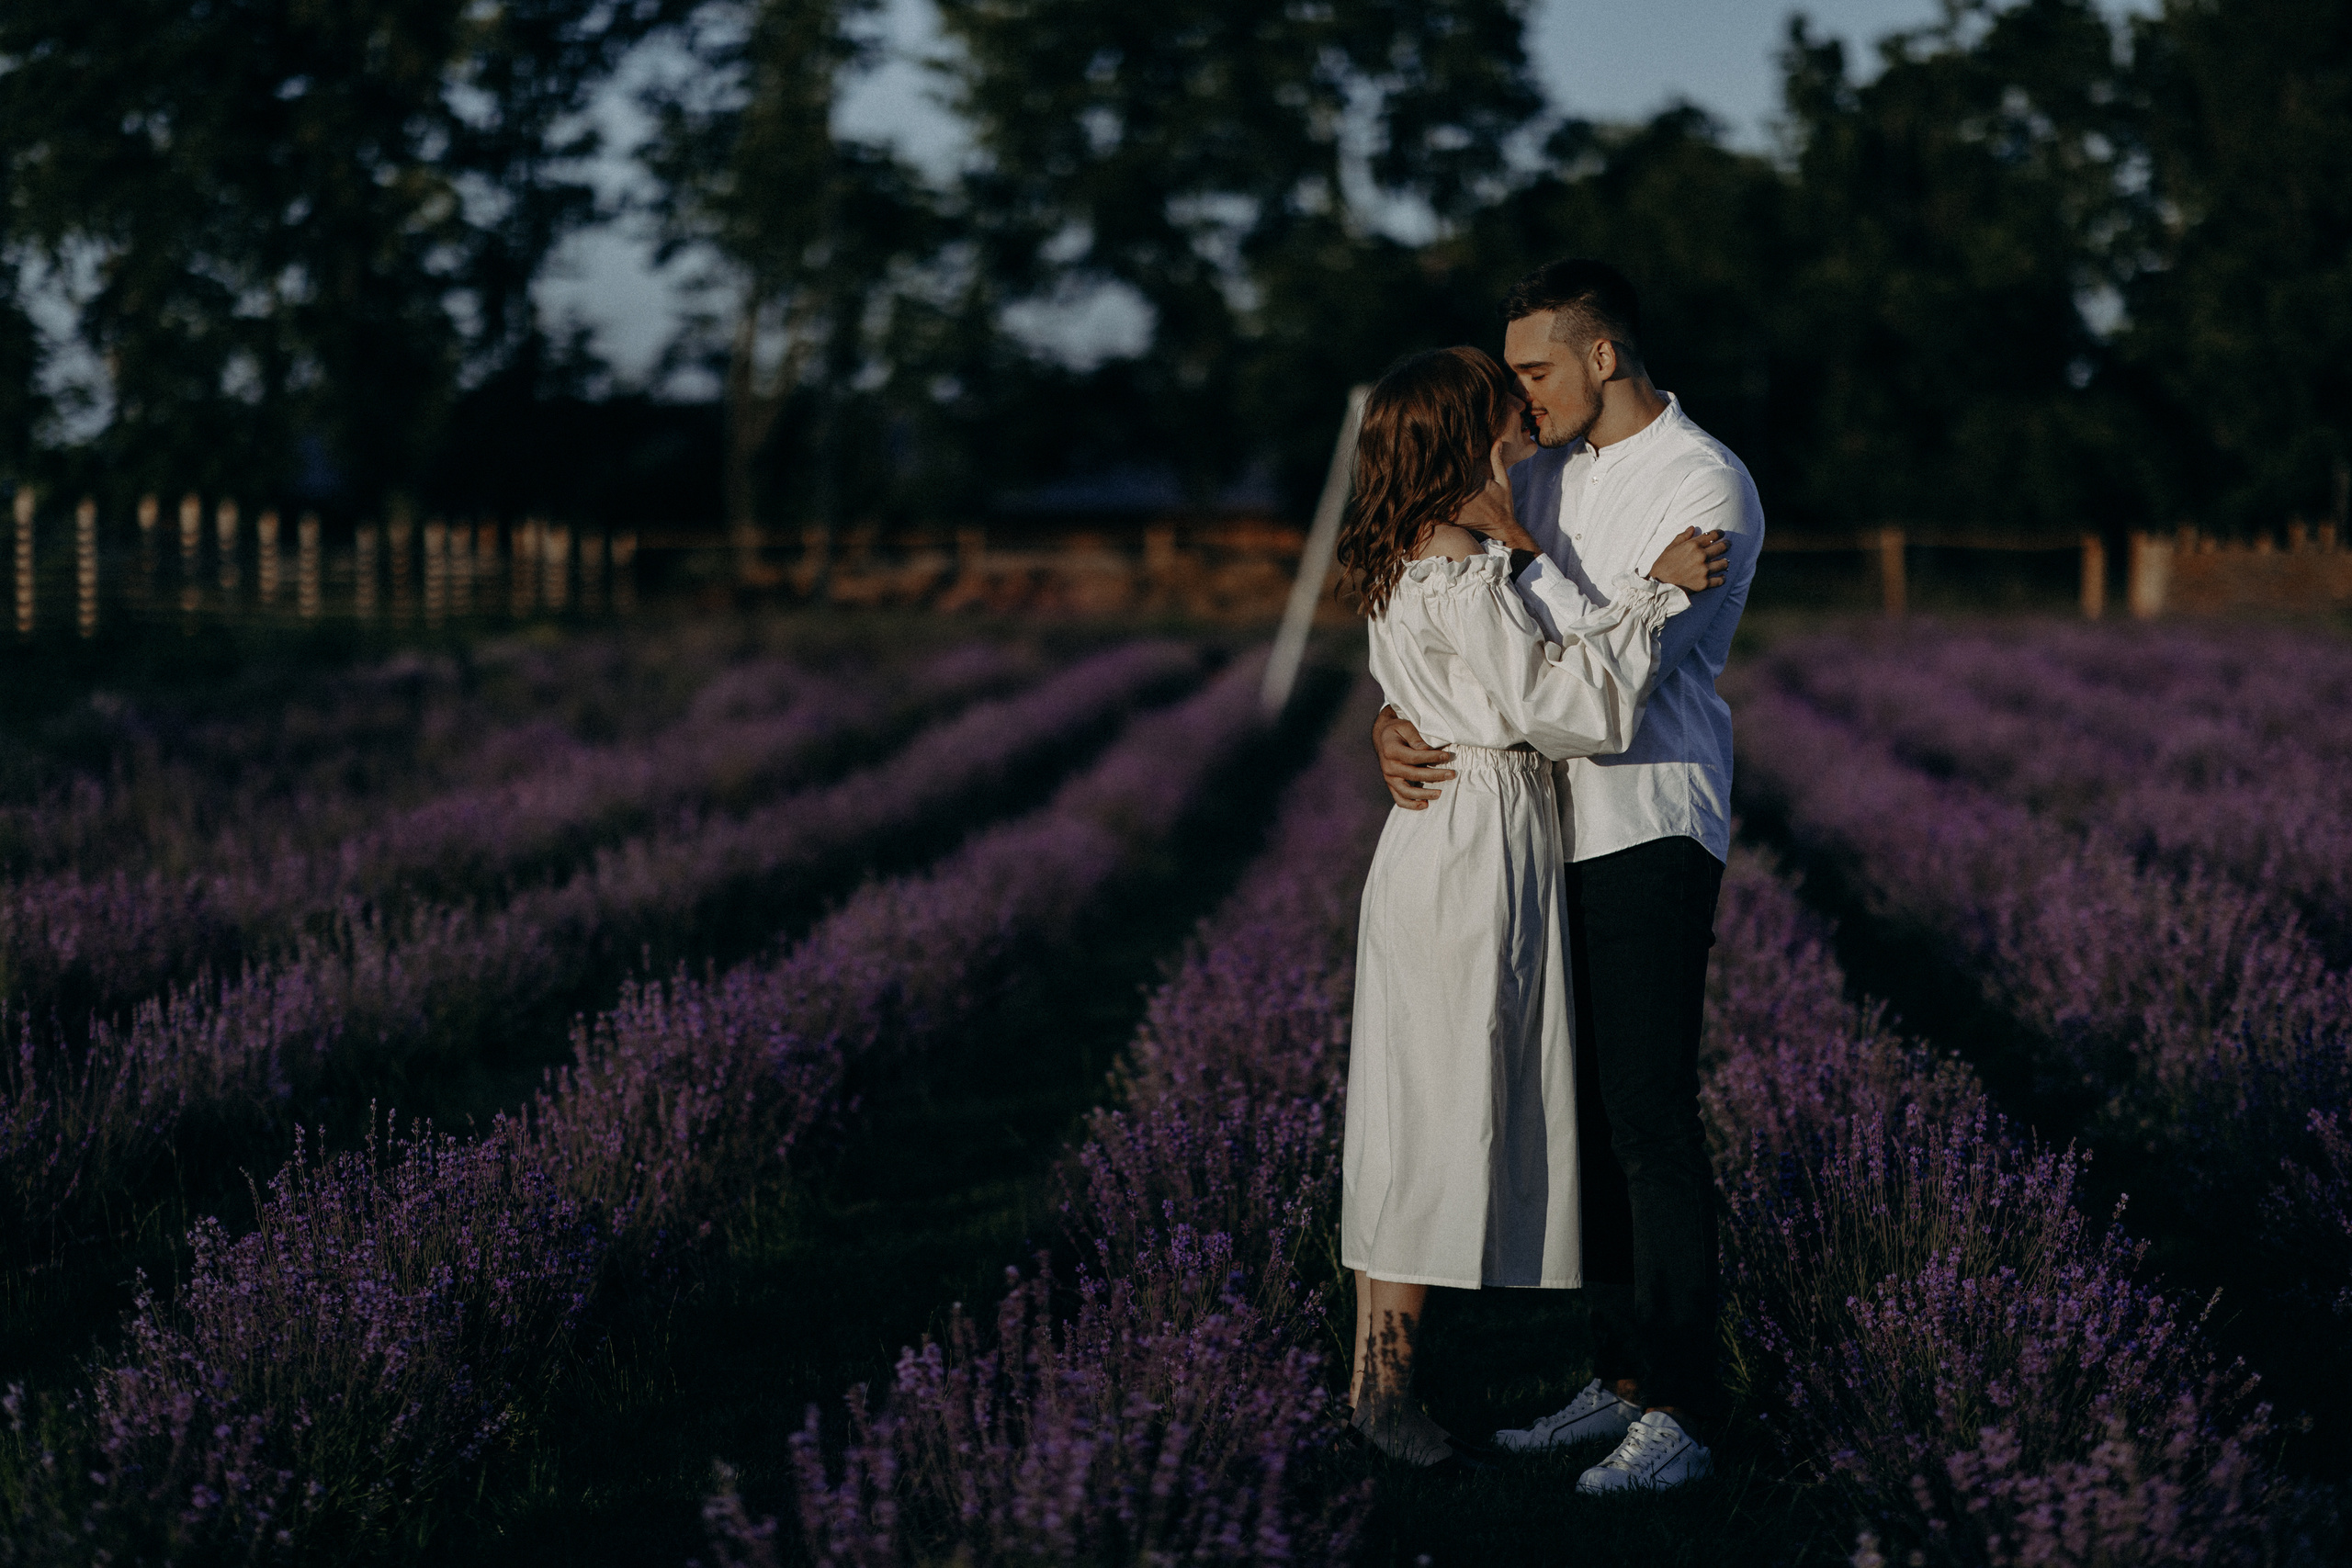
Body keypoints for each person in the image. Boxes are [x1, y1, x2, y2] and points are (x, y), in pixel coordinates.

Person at [1374, 260, 1765, 1494]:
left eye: (1536, 371)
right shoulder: (1540, 469)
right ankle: (1623, 1376)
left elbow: (1611, 687)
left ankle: (1686, 1414)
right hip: (1541, 834)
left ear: (1604, 356)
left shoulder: (1702, 483)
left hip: (1646, 818)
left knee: (1647, 1118)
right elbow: (1460, 630)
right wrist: (1391, 716)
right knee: (1586, 1119)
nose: (1521, 399)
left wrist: (1525, 673)